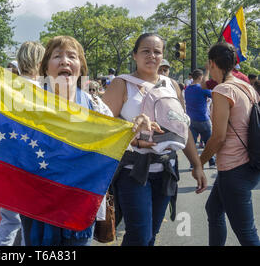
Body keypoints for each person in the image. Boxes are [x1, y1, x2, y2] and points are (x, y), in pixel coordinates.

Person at [19, 35, 159, 246]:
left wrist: (134, 127)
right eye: (57, 56)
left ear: (80, 67)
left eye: (72, 56)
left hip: (80, 204)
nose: (65, 61)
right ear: (46, 68)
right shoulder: (26, 101)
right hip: (37, 202)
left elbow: (114, 140)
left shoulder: (95, 106)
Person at [102, 33, 207, 246]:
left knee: (151, 234)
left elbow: (181, 129)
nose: (152, 56)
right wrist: (134, 139)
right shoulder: (122, 84)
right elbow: (103, 128)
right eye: (145, 51)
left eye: (157, 52)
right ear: (134, 55)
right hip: (132, 172)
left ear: (163, 56)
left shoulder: (172, 86)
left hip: (166, 171)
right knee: (139, 236)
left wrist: (197, 165)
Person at [199, 42, 260, 246]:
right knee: (213, 210)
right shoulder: (247, 87)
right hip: (248, 164)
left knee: (246, 233)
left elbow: (218, 137)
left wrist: (199, 162)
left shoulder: (223, 90)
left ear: (212, 63)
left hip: (234, 169)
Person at [0, 41, 45, 246]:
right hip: (35, 163)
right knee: (29, 223)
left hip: (6, 160)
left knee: (9, 219)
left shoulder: (4, 87)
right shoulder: (47, 93)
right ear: (42, 61)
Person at [184, 68, 216, 168]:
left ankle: (192, 164)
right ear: (200, 77)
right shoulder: (202, 88)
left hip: (191, 120)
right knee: (209, 143)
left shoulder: (187, 89)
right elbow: (214, 95)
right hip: (203, 119)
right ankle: (211, 162)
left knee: (192, 144)